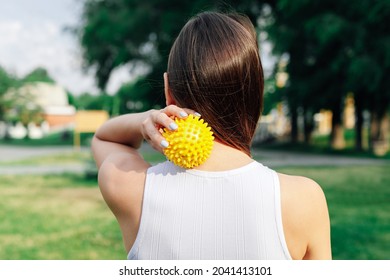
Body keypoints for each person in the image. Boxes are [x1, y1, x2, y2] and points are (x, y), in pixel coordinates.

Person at [92, 11, 331, 260]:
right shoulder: (304, 200)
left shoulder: (127, 185)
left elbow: (103, 138)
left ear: (168, 90)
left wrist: (144, 121)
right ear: (256, 94)